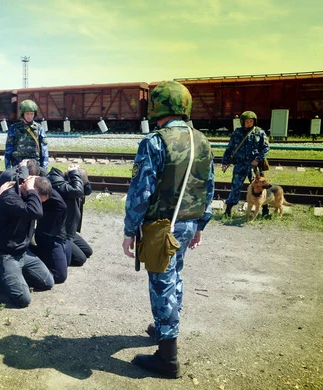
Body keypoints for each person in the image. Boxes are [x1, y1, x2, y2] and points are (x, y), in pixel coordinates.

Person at [121, 81, 215, 379]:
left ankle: (167, 358)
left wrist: (129, 229)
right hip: (187, 224)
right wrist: (201, 224)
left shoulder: (155, 141)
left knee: (161, 284)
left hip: (162, 227)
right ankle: (164, 327)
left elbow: (141, 191)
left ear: (158, 107)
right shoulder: (201, 140)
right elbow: (209, 186)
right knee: (174, 277)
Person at [0, 176, 55, 308]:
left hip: (22, 252)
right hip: (5, 254)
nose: (39, 204)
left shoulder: (28, 198)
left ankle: (10, 276)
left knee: (47, 282)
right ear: (30, 189)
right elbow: (36, 212)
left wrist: (31, 192)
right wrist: (31, 189)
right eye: (37, 199)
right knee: (23, 299)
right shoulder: (9, 198)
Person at [221, 111, 270, 217]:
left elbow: (266, 147)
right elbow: (230, 148)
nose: (249, 123)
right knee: (236, 186)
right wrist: (225, 161)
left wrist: (257, 159)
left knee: (261, 187)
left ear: (254, 122)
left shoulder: (259, 132)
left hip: (255, 165)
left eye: (251, 121)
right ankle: (228, 210)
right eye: (247, 121)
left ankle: (265, 210)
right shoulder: (237, 132)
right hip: (240, 165)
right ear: (242, 122)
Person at [47, 164, 93, 266]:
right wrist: (74, 174)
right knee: (80, 259)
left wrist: (76, 172)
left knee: (88, 251)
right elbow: (77, 191)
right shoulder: (59, 184)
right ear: (71, 179)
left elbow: (88, 191)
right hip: (60, 231)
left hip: (69, 230)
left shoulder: (74, 184)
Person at [4, 100, 49, 170]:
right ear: (23, 114)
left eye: (32, 114)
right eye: (27, 114)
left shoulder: (39, 128)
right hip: (18, 165)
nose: (30, 116)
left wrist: (44, 168)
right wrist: (8, 168)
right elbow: (8, 150)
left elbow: (44, 151)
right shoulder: (14, 128)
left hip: (35, 165)